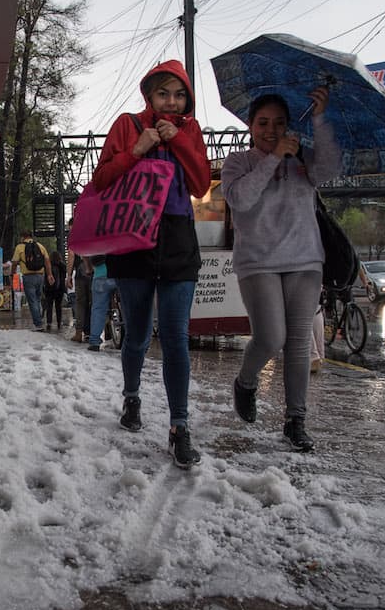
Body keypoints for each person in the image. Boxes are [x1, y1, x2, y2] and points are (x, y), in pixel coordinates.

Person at [90, 59, 210, 469]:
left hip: (177, 238)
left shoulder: (190, 130)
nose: (172, 102)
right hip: (133, 237)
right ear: (149, 95)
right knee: (138, 335)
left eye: (179, 95)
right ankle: (132, 399)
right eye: (163, 93)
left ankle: (180, 426)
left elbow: (199, 183)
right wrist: (137, 149)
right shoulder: (127, 125)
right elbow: (101, 180)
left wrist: (177, 140)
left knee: (176, 335)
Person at [221, 87, 342, 452]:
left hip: (305, 259)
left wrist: (319, 119)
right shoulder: (238, 162)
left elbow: (329, 170)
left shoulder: (302, 159)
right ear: (250, 125)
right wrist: (273, 158)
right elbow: (240, 199)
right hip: (258, 263)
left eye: (279, 123)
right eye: (262, 123)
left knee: (299, 342)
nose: (271, 130)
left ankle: (295, 419)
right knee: (271, 337)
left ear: (290, 125)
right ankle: (245, 382)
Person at [9, 231, 54, 331]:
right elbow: (47, 262)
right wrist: (50, 275)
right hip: (40, 276)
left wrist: (12, 274)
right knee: (37, 299)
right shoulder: (40, 246)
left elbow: (15, 263)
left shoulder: (20, 247)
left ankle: (38, 324)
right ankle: (39, 319)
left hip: (28, 277)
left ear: (22, 237)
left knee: (32, 301)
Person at [86, 256, 115, 352]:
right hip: (118, 273)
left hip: (99, 274)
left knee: (98, 309)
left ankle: (94, 342)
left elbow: (85, 254)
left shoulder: (94, 239)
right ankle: (132, 339)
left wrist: (89, 268)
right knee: (126, 306)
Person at [43, 251, 67, 331]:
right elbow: (64, 277)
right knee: (58, 306)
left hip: (49, 288)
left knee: (49, 306)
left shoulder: (48, 265)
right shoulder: (62, 265)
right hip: (59, 289)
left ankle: (49, 322)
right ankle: (59, 322)